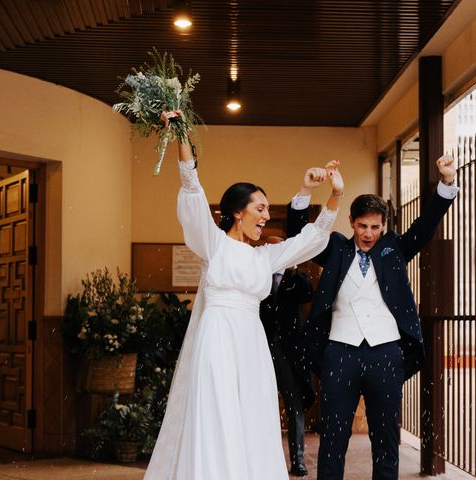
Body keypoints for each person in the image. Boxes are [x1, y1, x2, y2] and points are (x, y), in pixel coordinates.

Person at [143, 111, 344, 480]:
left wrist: (334, 195)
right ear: (237, 212)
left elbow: (311, 240)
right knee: (217, 416)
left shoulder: (264, 257)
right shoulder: (213, 244)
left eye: (268, 209)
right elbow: (192, 190)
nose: (267, 216)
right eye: (260, 208)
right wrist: (181, 135)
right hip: (217, 337)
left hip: (251, 343)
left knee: (253, 415)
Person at [287, 155, 457, 480]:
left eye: (375, 227)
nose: (368, 234)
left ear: (384, 225)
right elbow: (300, 237)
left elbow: (426, 226)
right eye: (362, 226)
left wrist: (446, 183)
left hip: (385, 354)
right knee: (333, 439)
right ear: (351, 221)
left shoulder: (394, 248)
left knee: (386, 441)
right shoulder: (334, 248)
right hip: (339, 353)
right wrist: (305, 191)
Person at [260, 236, 315, 476]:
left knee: (294, 405)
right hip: (260, 346)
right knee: (261, 405)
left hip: (290, 351)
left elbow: (308, 293)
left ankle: (298, 459)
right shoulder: (258, 275)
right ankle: (261, 458)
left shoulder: (295, 278)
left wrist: (292, 267)